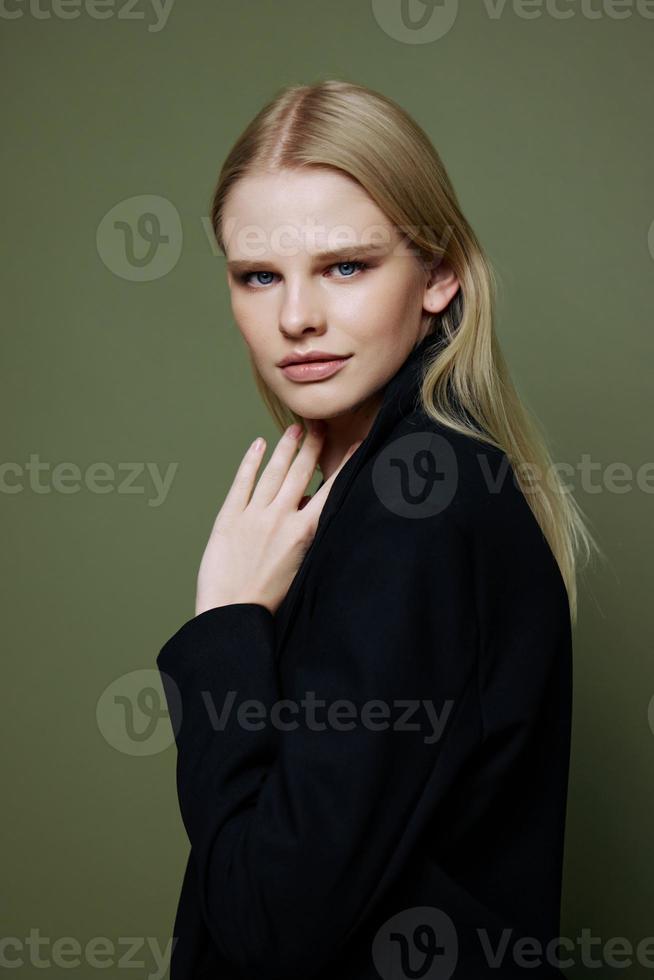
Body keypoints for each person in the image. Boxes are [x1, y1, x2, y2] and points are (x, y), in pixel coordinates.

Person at [156, 79, 601, 979]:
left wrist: (223, 626)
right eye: (258, 276)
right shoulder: (403, 487)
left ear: (439, 275)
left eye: (346, 266)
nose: (294, 319)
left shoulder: (416, 511)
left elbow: (268, 924)